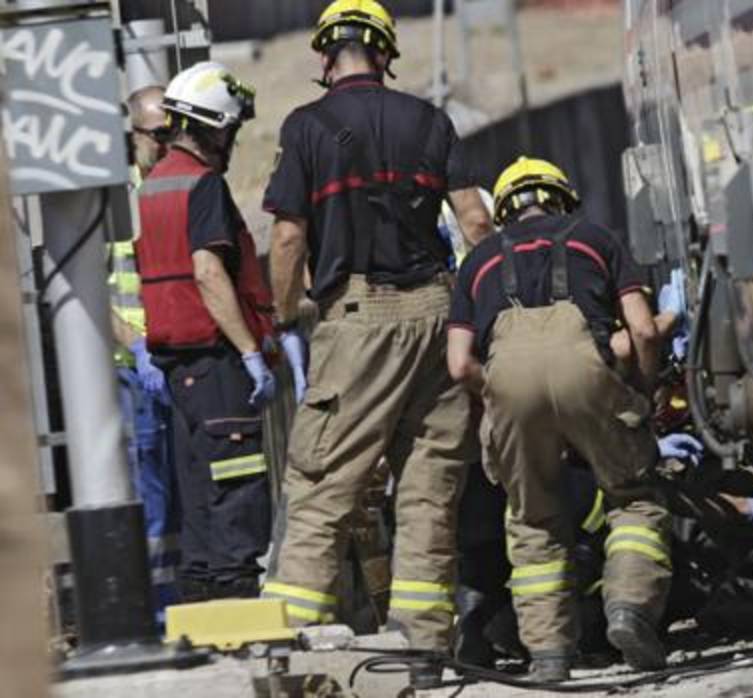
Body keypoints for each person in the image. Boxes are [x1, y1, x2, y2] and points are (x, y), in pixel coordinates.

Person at [261, 0, 492, 688]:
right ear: (386, 54)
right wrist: (480, 309)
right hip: (437, 313)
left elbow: (286, 235)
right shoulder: (430, 120)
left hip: (357, 320)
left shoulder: (307, 127)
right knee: (427, 491)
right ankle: (422, 653)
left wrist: (282, 315)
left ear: (323, 56)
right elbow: (476, 219)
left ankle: (289, 660)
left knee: (322, 486)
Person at [447, 157, 671, 682]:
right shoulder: (596, 239)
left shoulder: (477, 262)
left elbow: (459, 363)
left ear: (503, 210)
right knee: (633, 496)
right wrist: (639, 390)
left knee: (532, 519)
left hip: (508, 385)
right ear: (562, 198)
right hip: (587, 373)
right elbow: (642, 330)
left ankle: (548, 655)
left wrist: (500, 392)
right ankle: (630, 609)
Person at [135, 61, 275, 602]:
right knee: (235, 478)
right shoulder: (203, 186)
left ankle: (202, 597)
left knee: (195, 485)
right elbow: (208, 272)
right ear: (218, 127)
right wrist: (250, 353)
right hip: (214, 360)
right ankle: (235, 594)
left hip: (176, 364)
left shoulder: (153, 187)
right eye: (232, 131)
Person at [109, 84, 179, 619]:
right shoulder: (118, 201)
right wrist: (135, 347)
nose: (169, 142)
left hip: (174, 359)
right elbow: (92, 285)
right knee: (148, 487)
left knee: (179, 491)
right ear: (132, 134)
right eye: (159, 133)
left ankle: (176, 598)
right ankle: (154, 607)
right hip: (135, 369)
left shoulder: (171, 189)